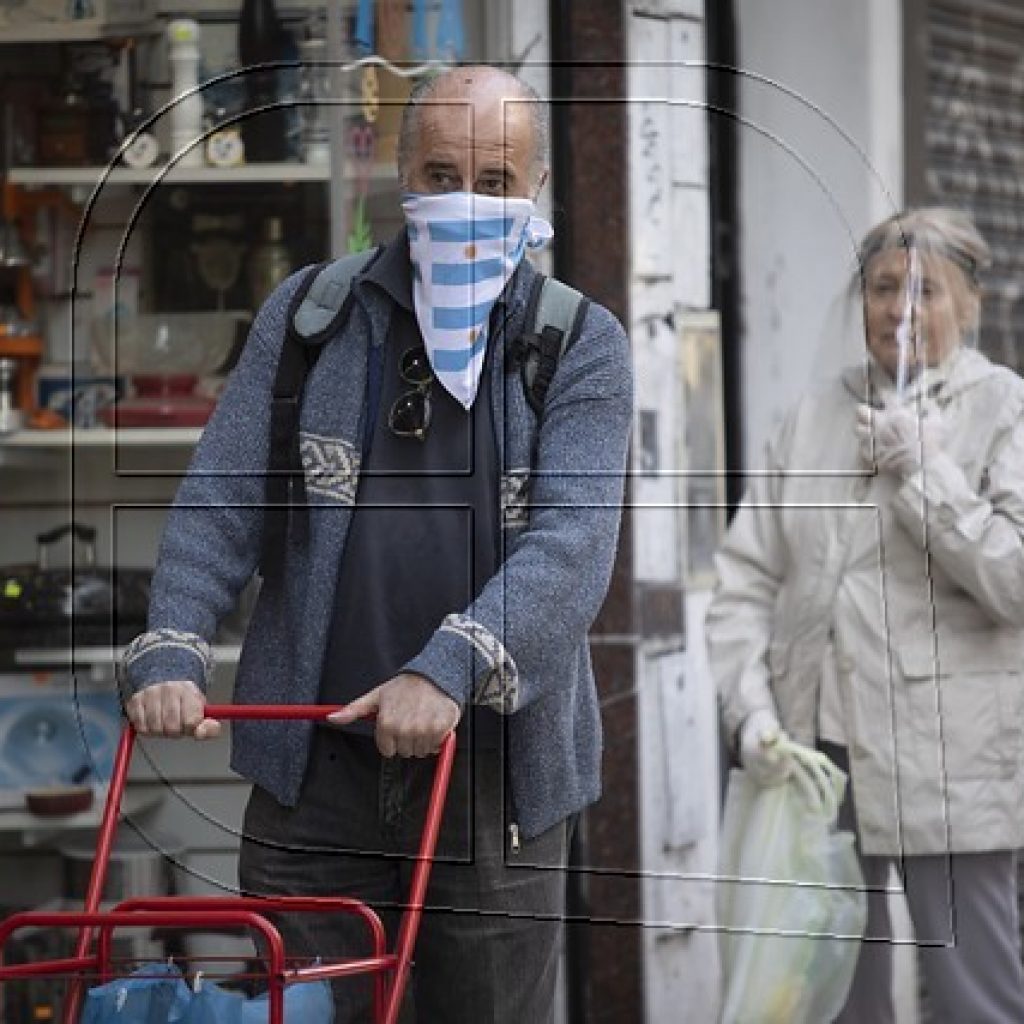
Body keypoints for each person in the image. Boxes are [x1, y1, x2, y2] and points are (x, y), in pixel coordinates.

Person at [121, 66, 632, 1023]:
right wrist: (174, 643)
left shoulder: (578, 344)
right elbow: (223, 500)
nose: (467, 203)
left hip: (494, 790)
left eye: (495, 181)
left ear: (536, 191)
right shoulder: (314, 316)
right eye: (441, 174)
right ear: (400, 176)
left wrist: (445, 672)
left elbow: (573, 549)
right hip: (316, 777)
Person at [706, 207, 1024, 1022]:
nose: (901, 309)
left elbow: (1015, 579)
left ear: (969, 306)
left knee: (973, 997)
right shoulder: (812, 415)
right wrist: (752, 716)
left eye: (927, 291)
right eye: (884, 288)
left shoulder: (1003, 410)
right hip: (819, 754)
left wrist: (927, 474)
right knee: (834, 997)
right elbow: (745, 580)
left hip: (953, 759)